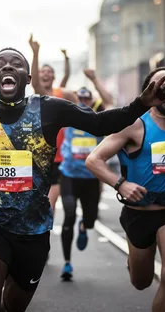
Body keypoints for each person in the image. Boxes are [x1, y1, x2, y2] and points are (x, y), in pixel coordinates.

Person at [0, 48, 165, 312]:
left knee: (12, 306)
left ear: (28, 77)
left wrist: (141, 103)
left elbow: (101, 124)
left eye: (16, 64)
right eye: (0, 64)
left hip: (32, 232)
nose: (8, 67)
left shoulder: (50, 109)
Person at [86, 67, 165, 312]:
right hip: (139, 213)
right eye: (159, 85)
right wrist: (121, 184)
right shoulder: (134, 126)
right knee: (141, 282)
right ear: (149, 91)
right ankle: (135, 262)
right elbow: (93, 160)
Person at [58, 90, 104, 280]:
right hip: (69, 176)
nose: (84, 102)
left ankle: (84, 225)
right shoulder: (68, 118)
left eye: (87, 98)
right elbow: (57, 94)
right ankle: (67, 263)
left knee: (91, 219)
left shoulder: (99, 121)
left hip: (91, 178)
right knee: (68, 214)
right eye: (81, 99)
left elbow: (109, 102)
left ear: (92, 101)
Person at [28, 35, 76, 217]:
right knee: (37, 200)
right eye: (42, 72)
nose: (46, 74)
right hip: (40, 155)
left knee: (52, 203)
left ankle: (45, 228)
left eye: (49, 72)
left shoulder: (60, 94)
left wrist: (66, 58)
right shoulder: (38, 94)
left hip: (60, 156)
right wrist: (35, 52)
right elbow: (35, 83)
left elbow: (67, 77)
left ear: (54, 77)